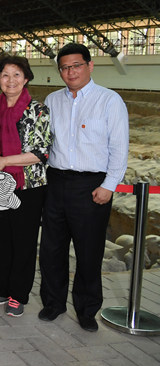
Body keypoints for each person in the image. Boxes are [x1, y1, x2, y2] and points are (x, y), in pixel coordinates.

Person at [39, 43, 129, 332]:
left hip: (92, 186)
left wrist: (108, 185)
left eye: (76, 65)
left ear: (90, 66)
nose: (70, 72)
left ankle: (87, 309)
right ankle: (53, 303)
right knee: (52, 248)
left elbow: (119, 147)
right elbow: (43, 144)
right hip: (56, 181)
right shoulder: (52, 101)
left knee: (89, 251)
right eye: (64, 67)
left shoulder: (109, 101)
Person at [0, 54, 51, 317]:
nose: (10, 80)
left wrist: (3, 160)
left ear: (25, 78)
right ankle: (4, 288)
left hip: (28, 186)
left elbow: (40, 152)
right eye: (4, 75)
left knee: (23, 241)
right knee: (1, 239)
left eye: (16, 75)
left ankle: (19, 294)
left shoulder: (37, 110)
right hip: (1, 183)